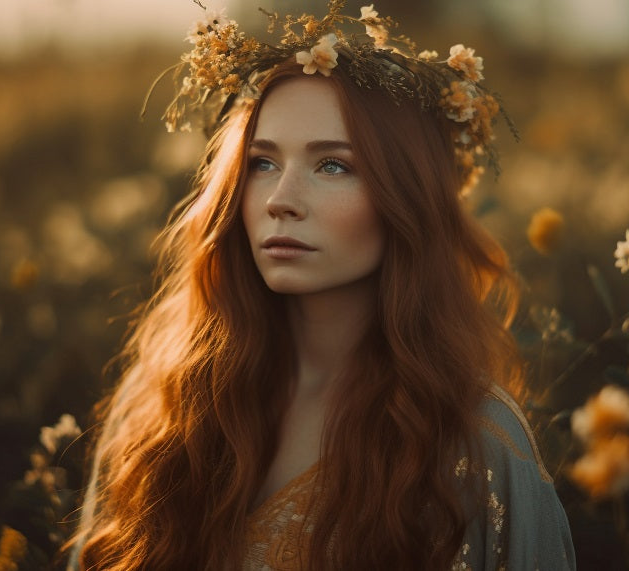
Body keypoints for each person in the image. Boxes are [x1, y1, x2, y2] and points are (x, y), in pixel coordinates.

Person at [68, 2, 575, 569]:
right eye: (262, 164)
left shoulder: (475, 441)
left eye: (332, 165)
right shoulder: (172, 403)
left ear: (406, 198)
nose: (280, 200)